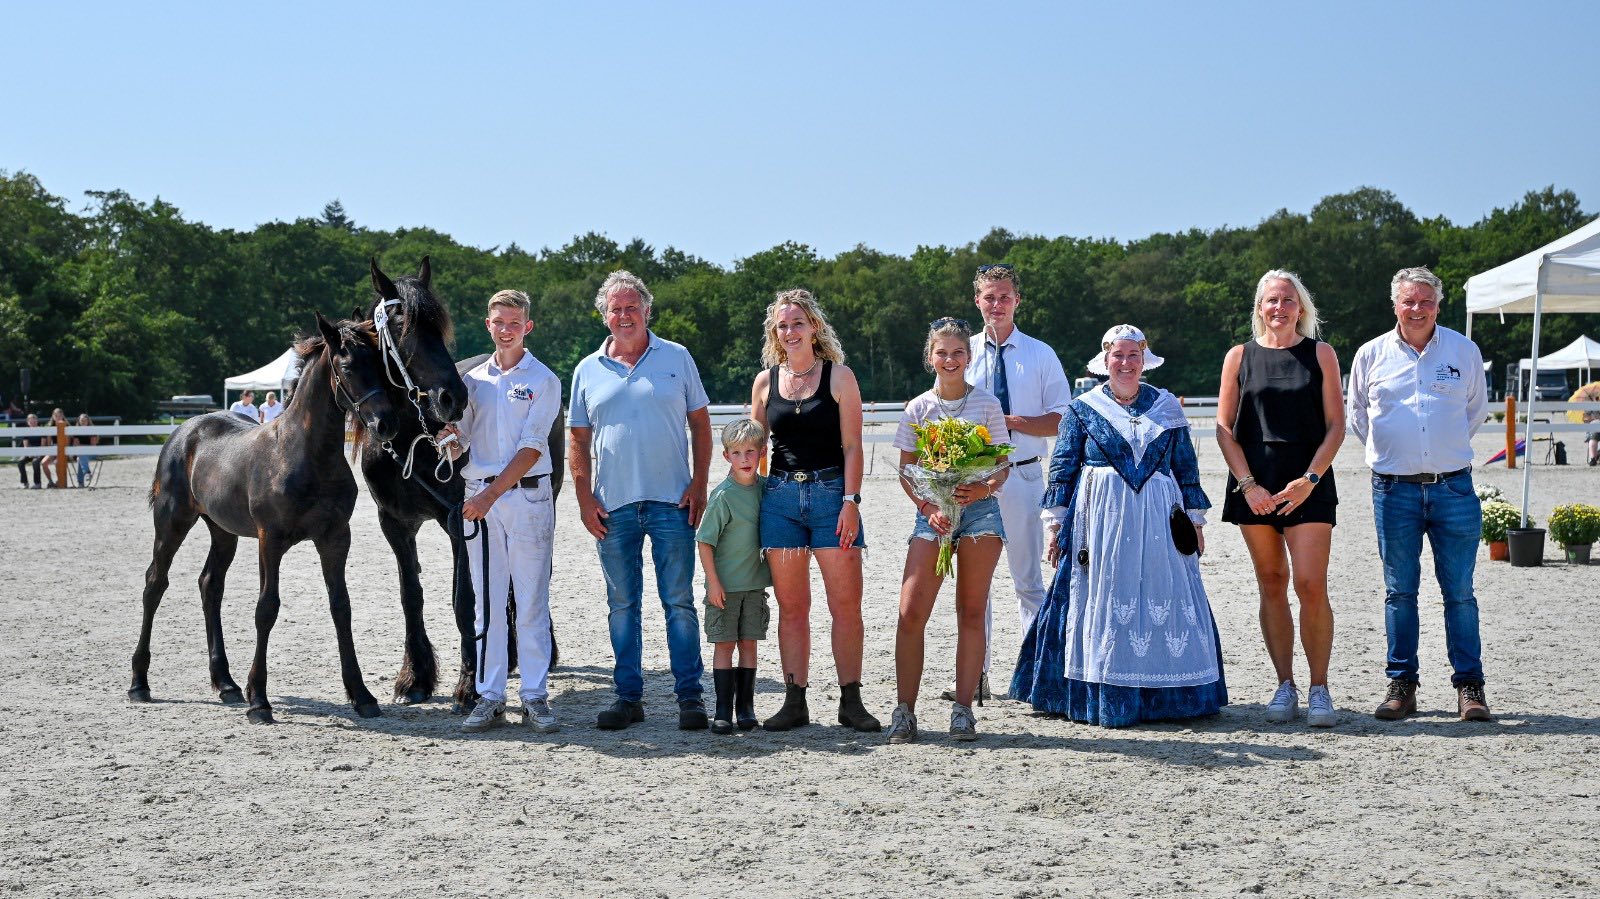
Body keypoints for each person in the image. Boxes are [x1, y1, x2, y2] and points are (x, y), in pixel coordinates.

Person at [1012, 325, 1228, 727]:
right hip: (1099, 521)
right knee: (1101, 592)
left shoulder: (1166, 406)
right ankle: (1098, 690)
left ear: (1145, 359)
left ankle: (1166, 697)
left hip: (1160, 520)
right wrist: (1055, 526)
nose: (1126, 363)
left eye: (1133, 355)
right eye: (1118, 355)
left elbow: (1185, 466)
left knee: (1161, 593)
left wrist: (1196, 521)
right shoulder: (1083, 408)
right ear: (1105, 360)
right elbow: (1063, 468)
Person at [570, 271, 713, 731]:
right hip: (613, 506)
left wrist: (699, 483)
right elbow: (578, 439)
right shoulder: (587, 369)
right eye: (616, 309)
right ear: (604, 316)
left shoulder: (677, 357)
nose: (624, 315)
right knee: (622, 605)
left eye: (632, 307)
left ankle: (690, 697)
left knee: (679, 602)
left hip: (674, 501)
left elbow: (701, 424)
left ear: (647, 310)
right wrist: (583, 496)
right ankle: (628, 698)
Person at [1348, 267, 1492, 722]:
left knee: (1460, 592)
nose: (1417, 309)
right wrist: (1396, 455)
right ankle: (1402, 686)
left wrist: (1441, 453)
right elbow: (1358, 416)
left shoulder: (1463, 351)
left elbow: (1475, 411)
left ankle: (1470, 688)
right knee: (1399, 592)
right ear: (1395, 305)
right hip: (1394, 490)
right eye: (1408, 301)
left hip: (1454, 487)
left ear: (1438, 305)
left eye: (1426, 301)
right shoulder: (1371, 354)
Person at [1216, 271, 1345, 728]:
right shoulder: (1239, 356)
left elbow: (1337, 426)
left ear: (1301, 308)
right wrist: (1249, 485)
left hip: (1308, 482)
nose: (1279, 307)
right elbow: (1224, 428)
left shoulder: (1321, 354)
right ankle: (1285, 684)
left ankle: (1320, 688)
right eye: (1271, 300)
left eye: (1288, 300)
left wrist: (1310, 479)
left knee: (1310, 585)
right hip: (1255, 487)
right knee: (1271, 582)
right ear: (1260, 307)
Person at [749, 288, 880, 733]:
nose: (791, 331)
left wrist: (851, 502)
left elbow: (853, 446)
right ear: (776, 332)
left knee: (845, 606)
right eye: (783, 325)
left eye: (798, 323)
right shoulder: (765, 383)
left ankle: (851, 701)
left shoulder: (839, 377)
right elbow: (754, 447)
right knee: (792, 608)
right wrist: (742, 498)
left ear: (814, 327)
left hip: (831, 498)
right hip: (780, 501)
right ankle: (794, 701)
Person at [436, 289, 563, 734]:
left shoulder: (544, 379)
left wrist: (488, 497)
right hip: (481, 497)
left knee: (530, 601)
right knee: (487, 605)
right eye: (499, 322)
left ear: (527, 327)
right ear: (488, 325)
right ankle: (490, 695)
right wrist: (448, 440)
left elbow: (532, 448)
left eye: (514, 323)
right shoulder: (473, 382)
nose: (506, 330)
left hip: (525, 499)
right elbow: (463, 439)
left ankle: (534, 696)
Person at [949, 263, 1070, 704]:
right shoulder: (960, 353)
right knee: (974, 586)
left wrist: (1011, 422)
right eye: (989, 297)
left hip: (1023, 474)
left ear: (1017, 301)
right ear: (977, 301)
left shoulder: (1040, 354)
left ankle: (1035, 678)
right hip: (973, 481)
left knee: (1028, 581)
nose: (996, 305)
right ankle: (975, 676)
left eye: (1004, 297)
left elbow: (1061, 419)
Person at [887, 318, 1010, 744]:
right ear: (930, 357)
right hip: (933, 514)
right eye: (942, 352)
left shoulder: (987, 405)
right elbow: (906, 470)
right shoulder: (918, 408)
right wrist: (927, 506)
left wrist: (982, 489)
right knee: (910, 613)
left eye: (958, 352)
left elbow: (1002, 466)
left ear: (969, 357)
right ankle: (904, 711)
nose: (951, 359)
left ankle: (963, 711)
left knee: (971, 612)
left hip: (980, 514)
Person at [696, 418, 772, 735]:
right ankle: (723, 710)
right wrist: (713, 583)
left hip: (754, 586)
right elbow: (704, 542)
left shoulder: (767, 490)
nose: (744, 459)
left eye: (750, 451)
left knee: (749, 643)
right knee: (725, 645)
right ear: (726, 456)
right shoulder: (723, 496)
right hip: (724, 589)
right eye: (737, 453)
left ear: (762, 452)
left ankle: (746, 708)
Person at [1573, 381, 1600, 466]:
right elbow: (1586, 419)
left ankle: (1596, 455)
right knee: (1594, 437)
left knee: (1594, 437)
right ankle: (1593, 458)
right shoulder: (1587, 403)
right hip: (1594, 425)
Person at [15, 413, 42, 489]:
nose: (33, 423)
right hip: (30, 452)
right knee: (20, 462)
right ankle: (25, 483)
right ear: (28, 422)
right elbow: (25, 446)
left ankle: (38, 483)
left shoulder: (42, 430)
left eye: (34, 421)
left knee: (35, 462)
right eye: (31, 422)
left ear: (37, 421)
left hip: (40, 452)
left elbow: (43, 445)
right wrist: (29, 453)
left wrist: (36, 454)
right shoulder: (26, 431)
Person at [73, 413, 99, 488]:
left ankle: (81, 481)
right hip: (81, 453)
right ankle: (86, 474)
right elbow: (75, 444)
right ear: (79, 421)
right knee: (80, 457)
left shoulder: (92, 430)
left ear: (88, 421)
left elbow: (93, 445)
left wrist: (81, 446)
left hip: (91, 453)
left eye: (85, 420)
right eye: (82, 420)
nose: (83, 422)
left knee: (80, 456)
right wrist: (83, 447)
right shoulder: (76, 431)